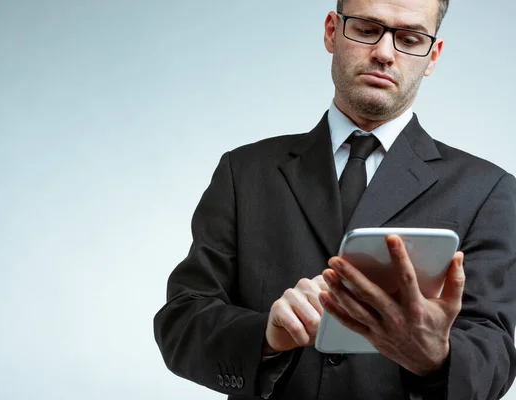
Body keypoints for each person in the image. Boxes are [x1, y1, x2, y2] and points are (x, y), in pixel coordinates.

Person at [153, 0, 516, 399]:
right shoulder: (244, 172)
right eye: (365, 29)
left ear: (432, 56)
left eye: (410, 38)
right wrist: (266, 335)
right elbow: (181, 322)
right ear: (331, 31)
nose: (383, 53)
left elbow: (495, 357)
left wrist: (436, 357)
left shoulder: (490, 190)